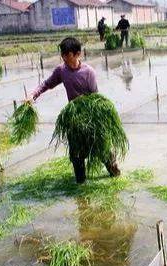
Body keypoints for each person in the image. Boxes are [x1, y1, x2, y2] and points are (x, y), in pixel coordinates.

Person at [29, 37, 121, 184]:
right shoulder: (61, 70)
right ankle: (81, 190)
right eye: (62, 54)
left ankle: (115, 174)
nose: (64, 57)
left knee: (103, 151)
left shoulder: (88, 72)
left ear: (77, 54)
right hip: (74, 120)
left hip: (91, 119)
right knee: (76, 156)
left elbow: (95, 98)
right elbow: (47, 84)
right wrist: (33, 95)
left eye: (67, 54)